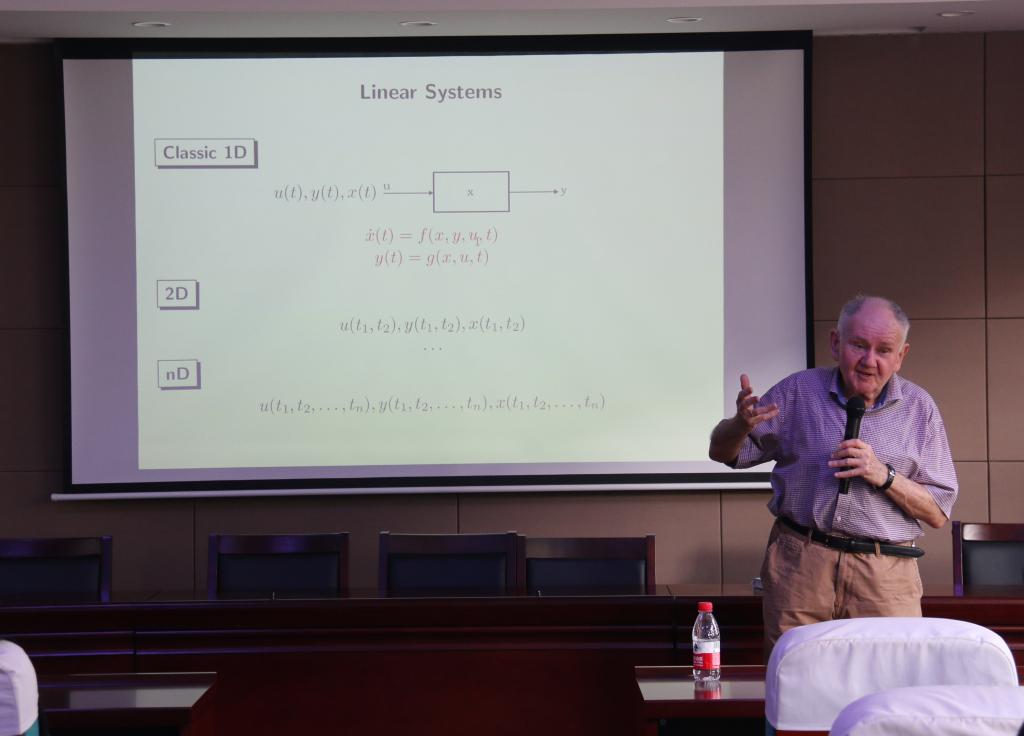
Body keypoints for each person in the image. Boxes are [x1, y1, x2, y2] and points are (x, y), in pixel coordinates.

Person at [708, 295, 957, 657]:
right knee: (794, 678)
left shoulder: (920, 409)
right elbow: (723, 452)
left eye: (884, 350)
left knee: (888, 682)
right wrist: (739, 425)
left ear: (901, 356)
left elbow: (937, 512)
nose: (869, 360)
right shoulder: (797, 392)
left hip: (885, 575)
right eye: (858, 345)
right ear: (835, 343)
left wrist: (884, 475)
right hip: (801, 566)